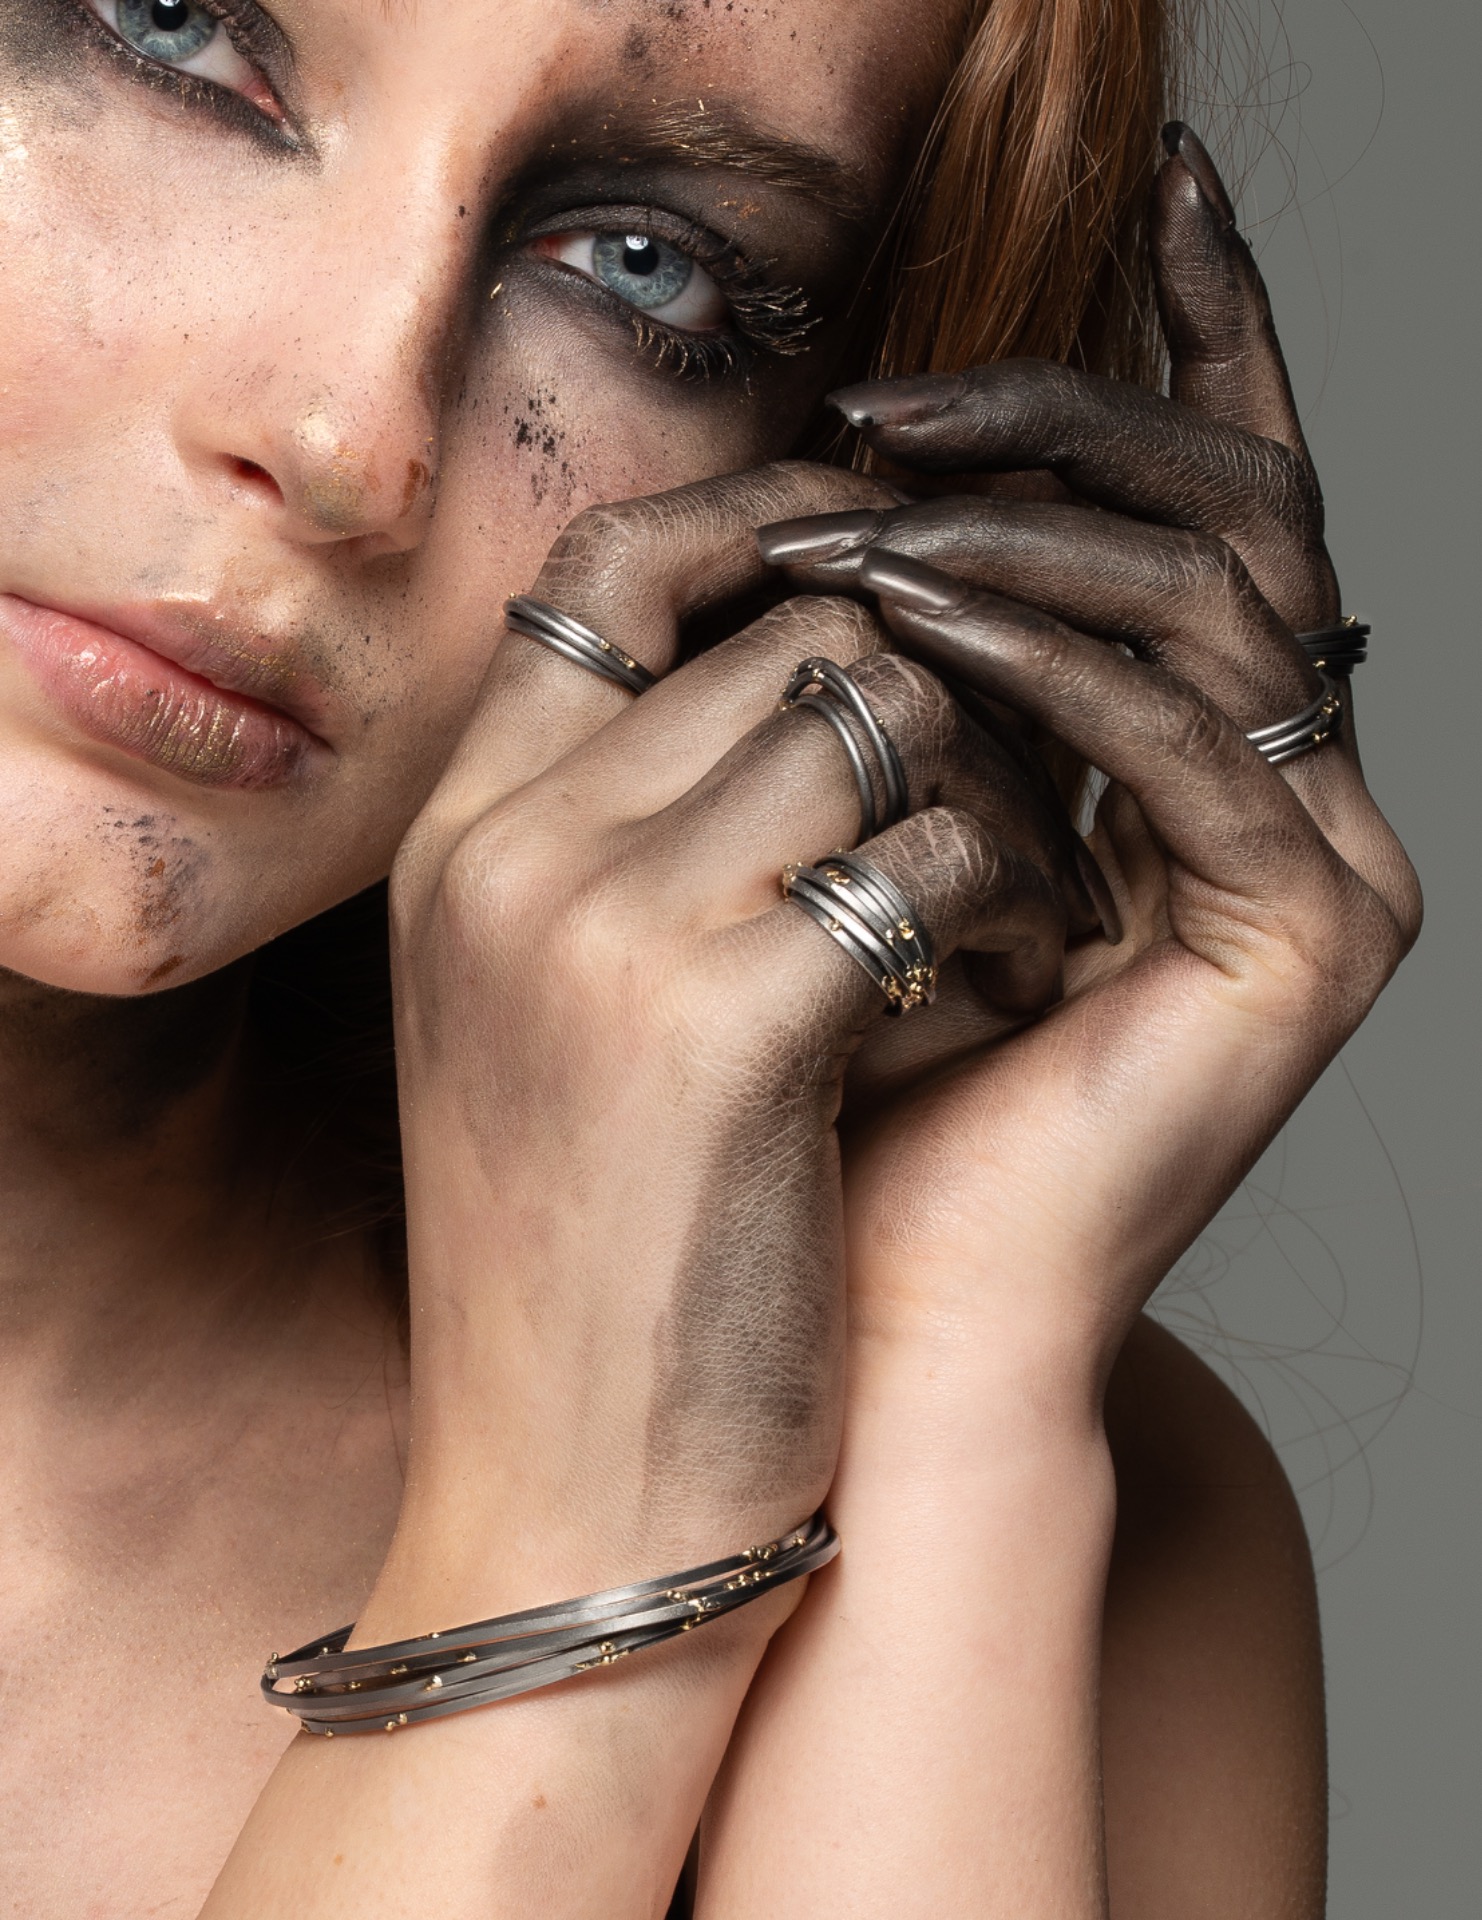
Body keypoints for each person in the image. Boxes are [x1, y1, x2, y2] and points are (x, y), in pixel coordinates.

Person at [0, 0, 1418, 1911]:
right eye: (165, 27)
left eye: (643, 264)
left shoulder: (1069, 1501)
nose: (346, 441)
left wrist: (924, 1386)